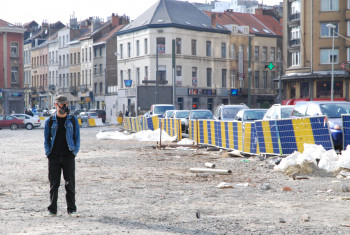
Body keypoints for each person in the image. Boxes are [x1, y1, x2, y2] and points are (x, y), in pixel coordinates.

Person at [44, 95, 80, 217]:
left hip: (68, 156)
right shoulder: (49, 121)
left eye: (66, 104)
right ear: (56, 105)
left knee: (70, 184)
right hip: (54, 156)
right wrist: (48, 153)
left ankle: (71, 209)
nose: (64, 106)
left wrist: (74, 152)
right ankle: (52, 209)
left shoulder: (73, 120)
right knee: (54, 184)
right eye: (62, 104)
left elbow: (77, 138)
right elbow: (46, 140)